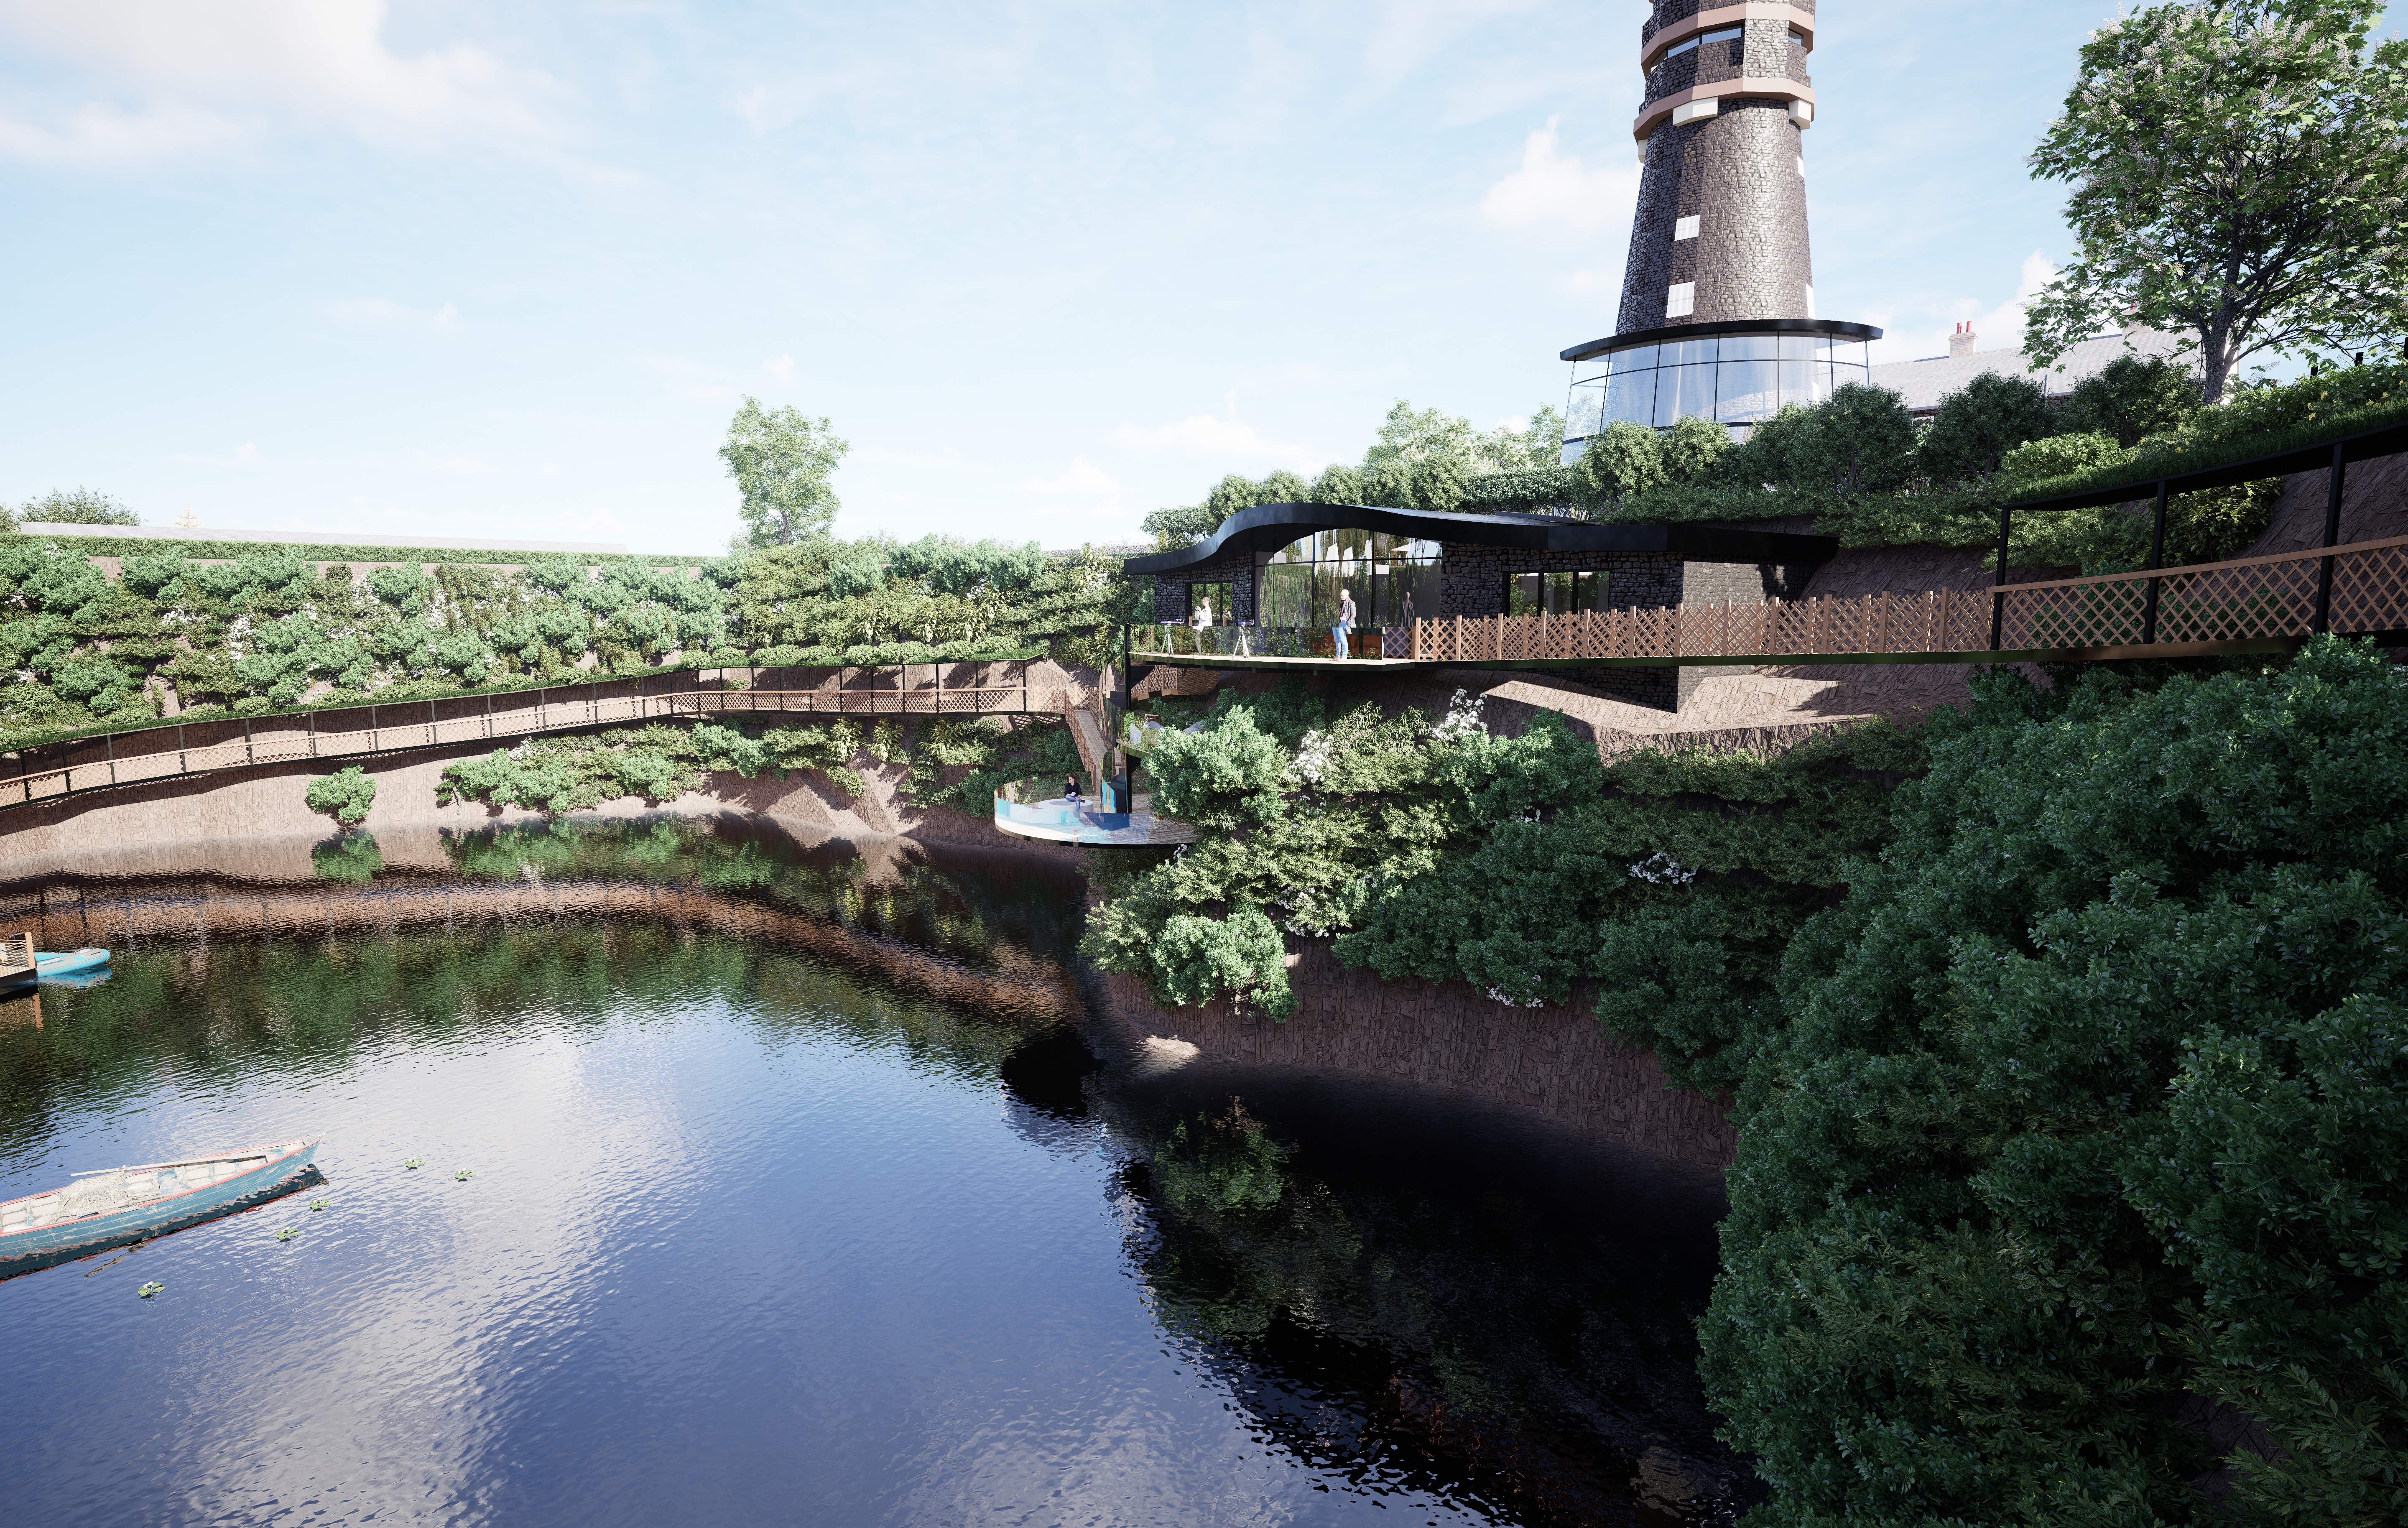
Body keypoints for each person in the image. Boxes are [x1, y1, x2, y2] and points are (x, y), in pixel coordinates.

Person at [1332, 586, 1355, 660]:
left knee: (1343, 640)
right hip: (1339, 623)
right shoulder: (1342, 602)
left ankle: (1344, 657)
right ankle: (1338, 656)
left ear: (1347, 595)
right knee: (1337, 640)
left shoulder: (1351, 603)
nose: (1341, 597)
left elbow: (1354, 615)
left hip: (1345, 623)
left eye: (1342, 595)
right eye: (1341, 595)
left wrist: (1348, 624)